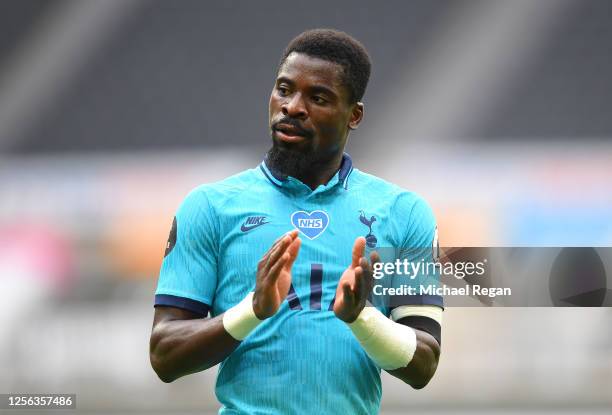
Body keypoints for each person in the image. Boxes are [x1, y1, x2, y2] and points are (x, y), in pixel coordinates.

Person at [150, 29, 443, 414]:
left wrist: (361, 317)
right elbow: (165, 354)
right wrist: (253, 310)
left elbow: (424, 364)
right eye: (284, 90)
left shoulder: (404, 213)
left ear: (354, 115)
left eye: (317, 98)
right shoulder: (210, 207)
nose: (292, 107)